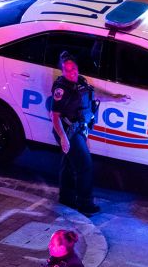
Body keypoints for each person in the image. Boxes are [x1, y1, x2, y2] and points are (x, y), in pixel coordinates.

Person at [50, 51, 129, 215]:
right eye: (67, 70)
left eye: (74, 69)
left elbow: (93, 95)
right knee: (84, 166)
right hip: (67, 132)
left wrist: (114, 98)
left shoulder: (81, 82)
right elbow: (54, 116)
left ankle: (66, 198)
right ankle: (85, 204)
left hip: (79, 129)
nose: (72, 73)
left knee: (69, 164)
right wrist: (64, 138)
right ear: (62, 71)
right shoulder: (61, 89)